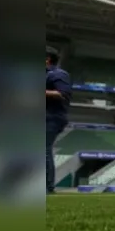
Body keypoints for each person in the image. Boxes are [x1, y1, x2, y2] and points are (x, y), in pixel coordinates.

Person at [46, 48, 71, 194]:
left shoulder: (59, 74)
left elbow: (62, 93)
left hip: (52, 117)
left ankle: (47, 187)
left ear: (47, 59)